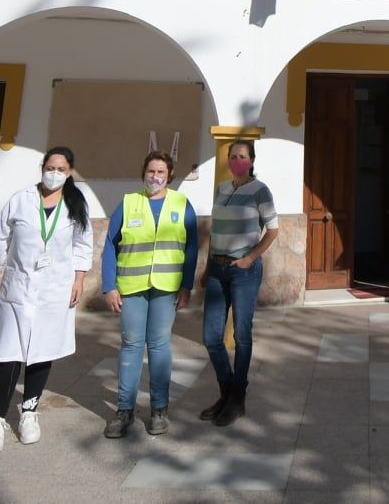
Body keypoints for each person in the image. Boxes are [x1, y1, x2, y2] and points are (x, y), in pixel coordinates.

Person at [0, 146, 94, 453]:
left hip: (54, 289)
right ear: (42, 168)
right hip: (18, 287)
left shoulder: (76, 204)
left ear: (70, 173)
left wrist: (79, 280)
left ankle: (29, 410)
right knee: (7, 353)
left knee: (42, 350)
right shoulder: (21, 200)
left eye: (61, 169)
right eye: (50, 168)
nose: (54, 174)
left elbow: (83, 244)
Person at [101, 151, 198, 439]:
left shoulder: (181, 203)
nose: (155, 177)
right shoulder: (129, 202)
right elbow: (110, 244)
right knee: (131, 345)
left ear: (170, 176)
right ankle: (124, 409)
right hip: (132, 287)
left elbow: (192, 247)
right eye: (151, 171)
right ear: (143, 172)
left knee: (159, 346)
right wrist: (109, 285)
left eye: (161, 172)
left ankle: (159, 409)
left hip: (166, 287)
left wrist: (187, 285)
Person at [198, 139, 279, 426]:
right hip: (217, 269)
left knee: (242, 335)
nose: (236, 161)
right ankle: (227, 391)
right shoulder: (221, 189)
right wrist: (207, 267)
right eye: (232, 156)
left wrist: (250, 258)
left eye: (242, 156)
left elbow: (273, 230)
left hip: (244, 271)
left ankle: (237, 398)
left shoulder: (260, 191)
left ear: (252, 160)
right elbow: (216, 231)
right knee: (211, 337)